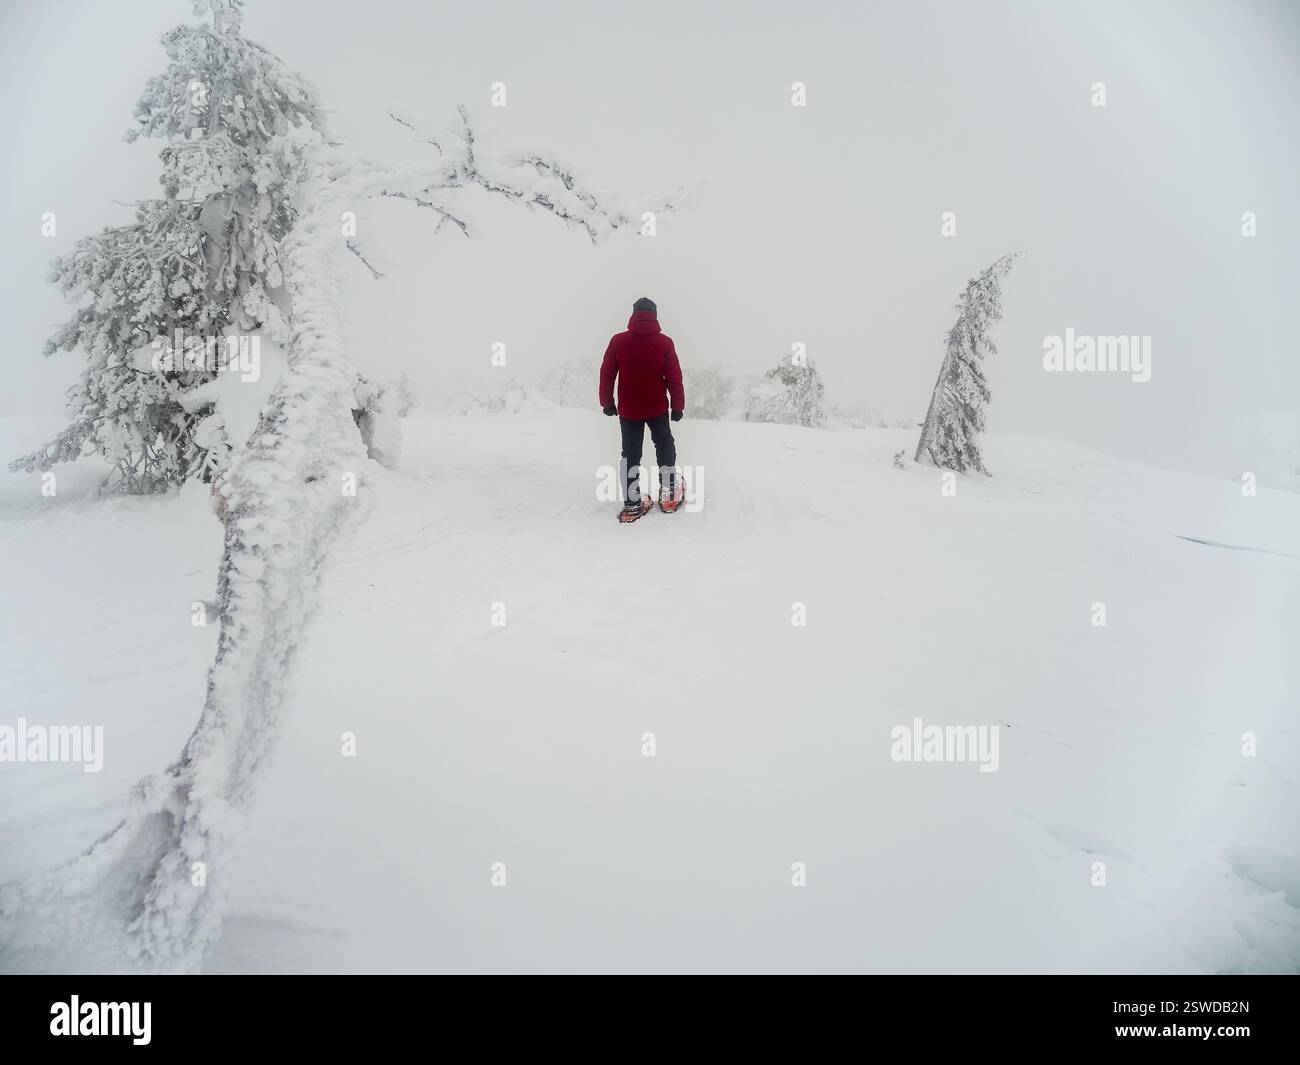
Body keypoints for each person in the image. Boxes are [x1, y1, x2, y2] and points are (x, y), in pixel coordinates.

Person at [599, 297, 685, 522]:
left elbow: (607, 374)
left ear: (633, 314)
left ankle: (632, 504)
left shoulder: (618, 341)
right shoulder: (665, 343)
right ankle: (668, 495)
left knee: (630, 455)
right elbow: (674, 378)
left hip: (629, 411)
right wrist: (677, 406)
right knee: (664, 444)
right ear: (654, 315)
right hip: (657, 408)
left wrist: (607, 402)